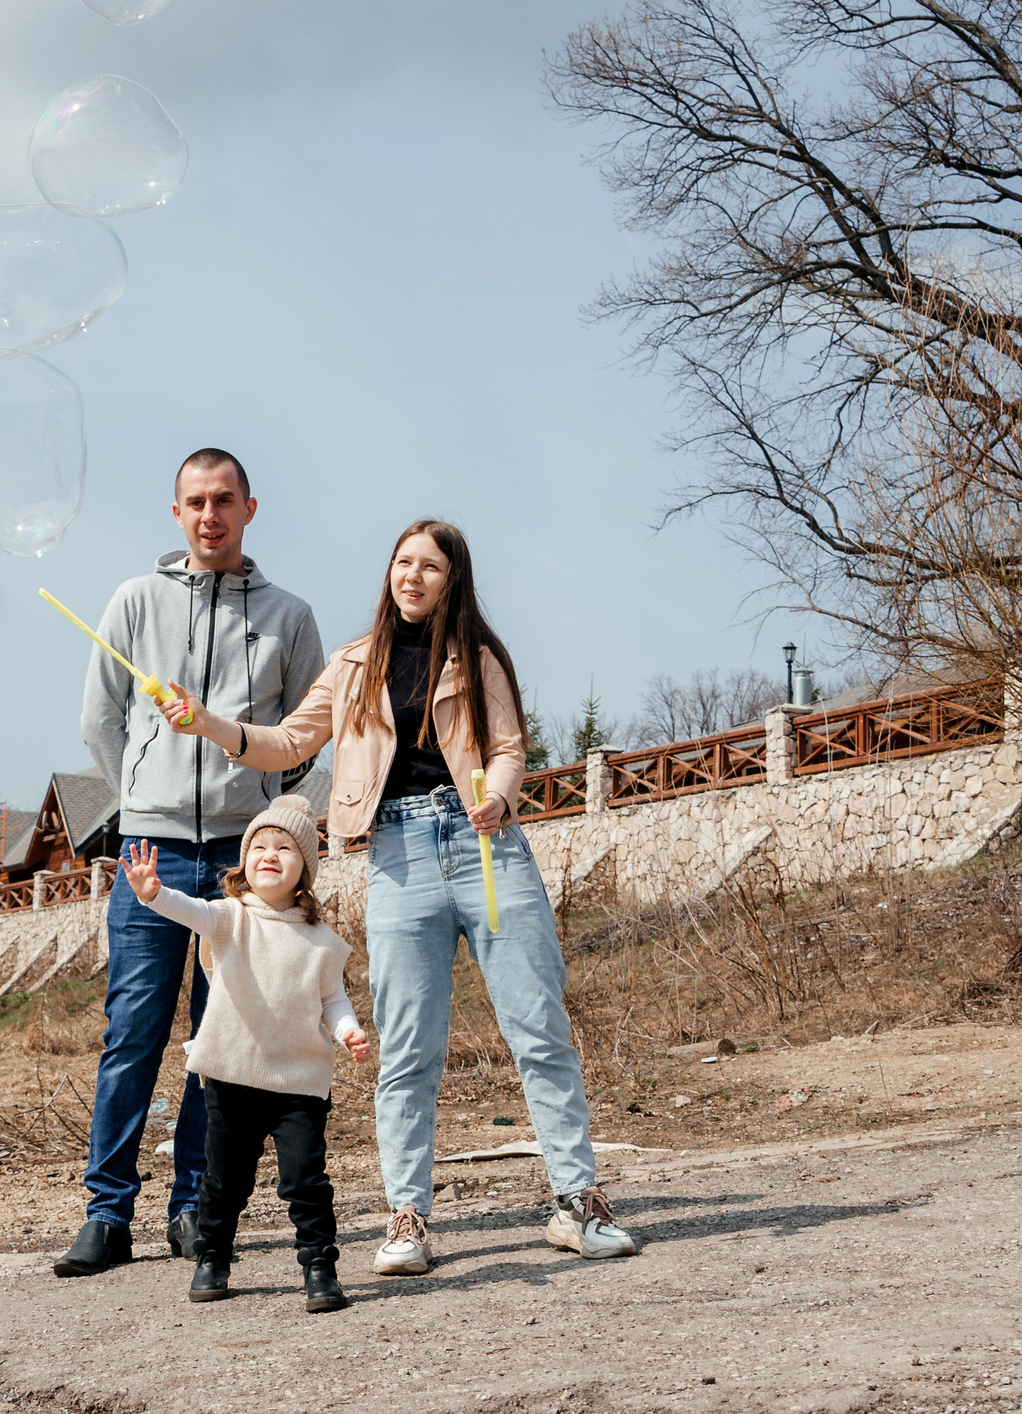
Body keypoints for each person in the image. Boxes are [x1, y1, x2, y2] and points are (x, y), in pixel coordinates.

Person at [151, 518, 641, 1276]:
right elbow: (287, 743)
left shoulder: (479, 658)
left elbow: (510, 749)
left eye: (430, 567)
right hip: (399, 853)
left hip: (486, 848)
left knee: (537, 1027)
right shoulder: (353, 665)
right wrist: (208, 723)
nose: (411, 577)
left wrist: (502, 800)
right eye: (402, 563)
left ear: (454, 581)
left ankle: (578, 1201)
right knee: (409, 1047)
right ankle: (408, 1217)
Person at [55, 448, 328, 1278]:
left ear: (250, 508)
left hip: (244, 862)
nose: (209, 514)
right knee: (132, 1029)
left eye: (224, 500)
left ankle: (191, 1210)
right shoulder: (134, 602)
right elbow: (100, 721)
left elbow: (309, 734)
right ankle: (107, 1214)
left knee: (221, 1037)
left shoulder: (290, 614)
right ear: (176, 514)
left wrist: (266, 807)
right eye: (194, 502)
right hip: (152, 845)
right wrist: (143, 791)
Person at [121, 794, 368, 1313]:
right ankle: (212, 1257)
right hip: (234, 1075)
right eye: (259, 845)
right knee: (224, 1179)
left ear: (305, 869)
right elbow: (188, 911)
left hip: (300, 1081)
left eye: (284, 847)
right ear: (244, 861)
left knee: (305, 1179)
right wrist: (153, 894)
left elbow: (331, 998)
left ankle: (320, 1267)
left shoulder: (321, 940)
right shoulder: (230, 918)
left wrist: (347, 1031)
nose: (269, 854)